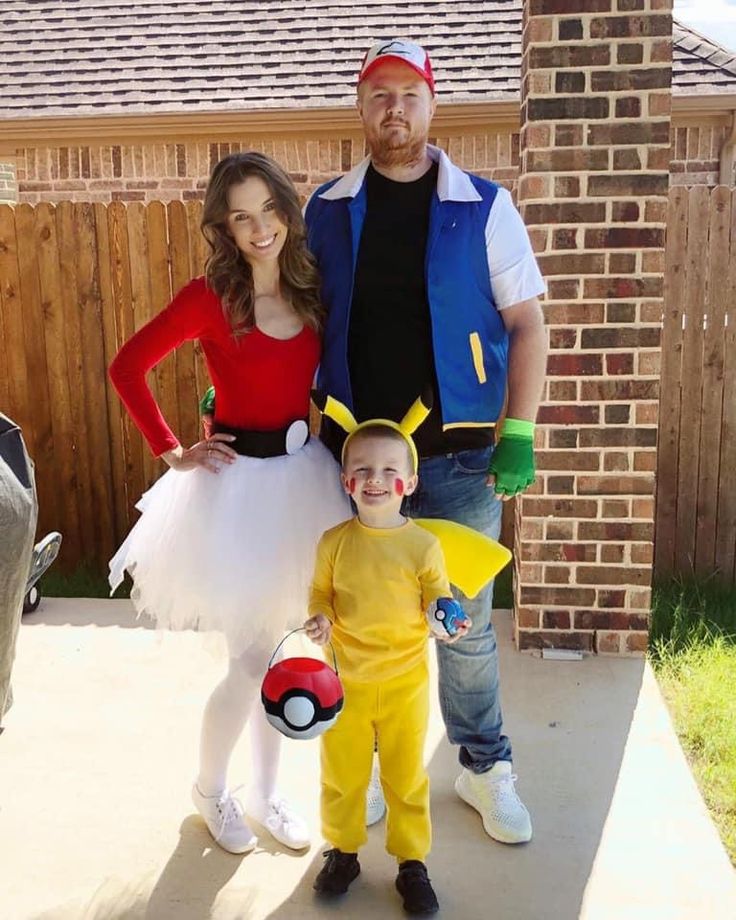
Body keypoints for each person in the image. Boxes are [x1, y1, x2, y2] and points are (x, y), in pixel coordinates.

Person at [304, 39, 547, 843]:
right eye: (378, 93)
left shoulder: (484, 204)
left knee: (464, 623)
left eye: (409, 93)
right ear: (361, 106)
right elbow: (303, 320)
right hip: (358, 465)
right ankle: (370, 763)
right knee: (354, 618)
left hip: (463, 456)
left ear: (432, 105)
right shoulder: (327, 211)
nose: (394, 108)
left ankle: (483, 767)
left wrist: (519, 431)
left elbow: (526, 323)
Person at [108, 152, 351, 854]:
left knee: (283, 652)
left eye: (267, 210)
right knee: (249, 661)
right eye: (240, 217)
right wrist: (172, 450)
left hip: (304, 478)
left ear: (285, 208)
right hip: (238, 489)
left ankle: (268, 796)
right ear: (226, 227)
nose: (258, 228)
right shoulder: (207, 298)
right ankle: (211, 791)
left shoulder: (311, 289)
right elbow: (127, 366)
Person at [304, 406, 469, 915]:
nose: (376, 479)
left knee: (404, 776)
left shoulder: (423, 546)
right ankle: (344, 850)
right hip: (344, 682)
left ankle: (411, 862)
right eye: (364, 470)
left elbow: (437, 598)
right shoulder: (334, 542)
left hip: (405, 684)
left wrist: (449, 620)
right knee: (342, 773)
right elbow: (320, 593)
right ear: (346, 480)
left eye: (389, 471)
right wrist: (320, 617)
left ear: (410, 481)